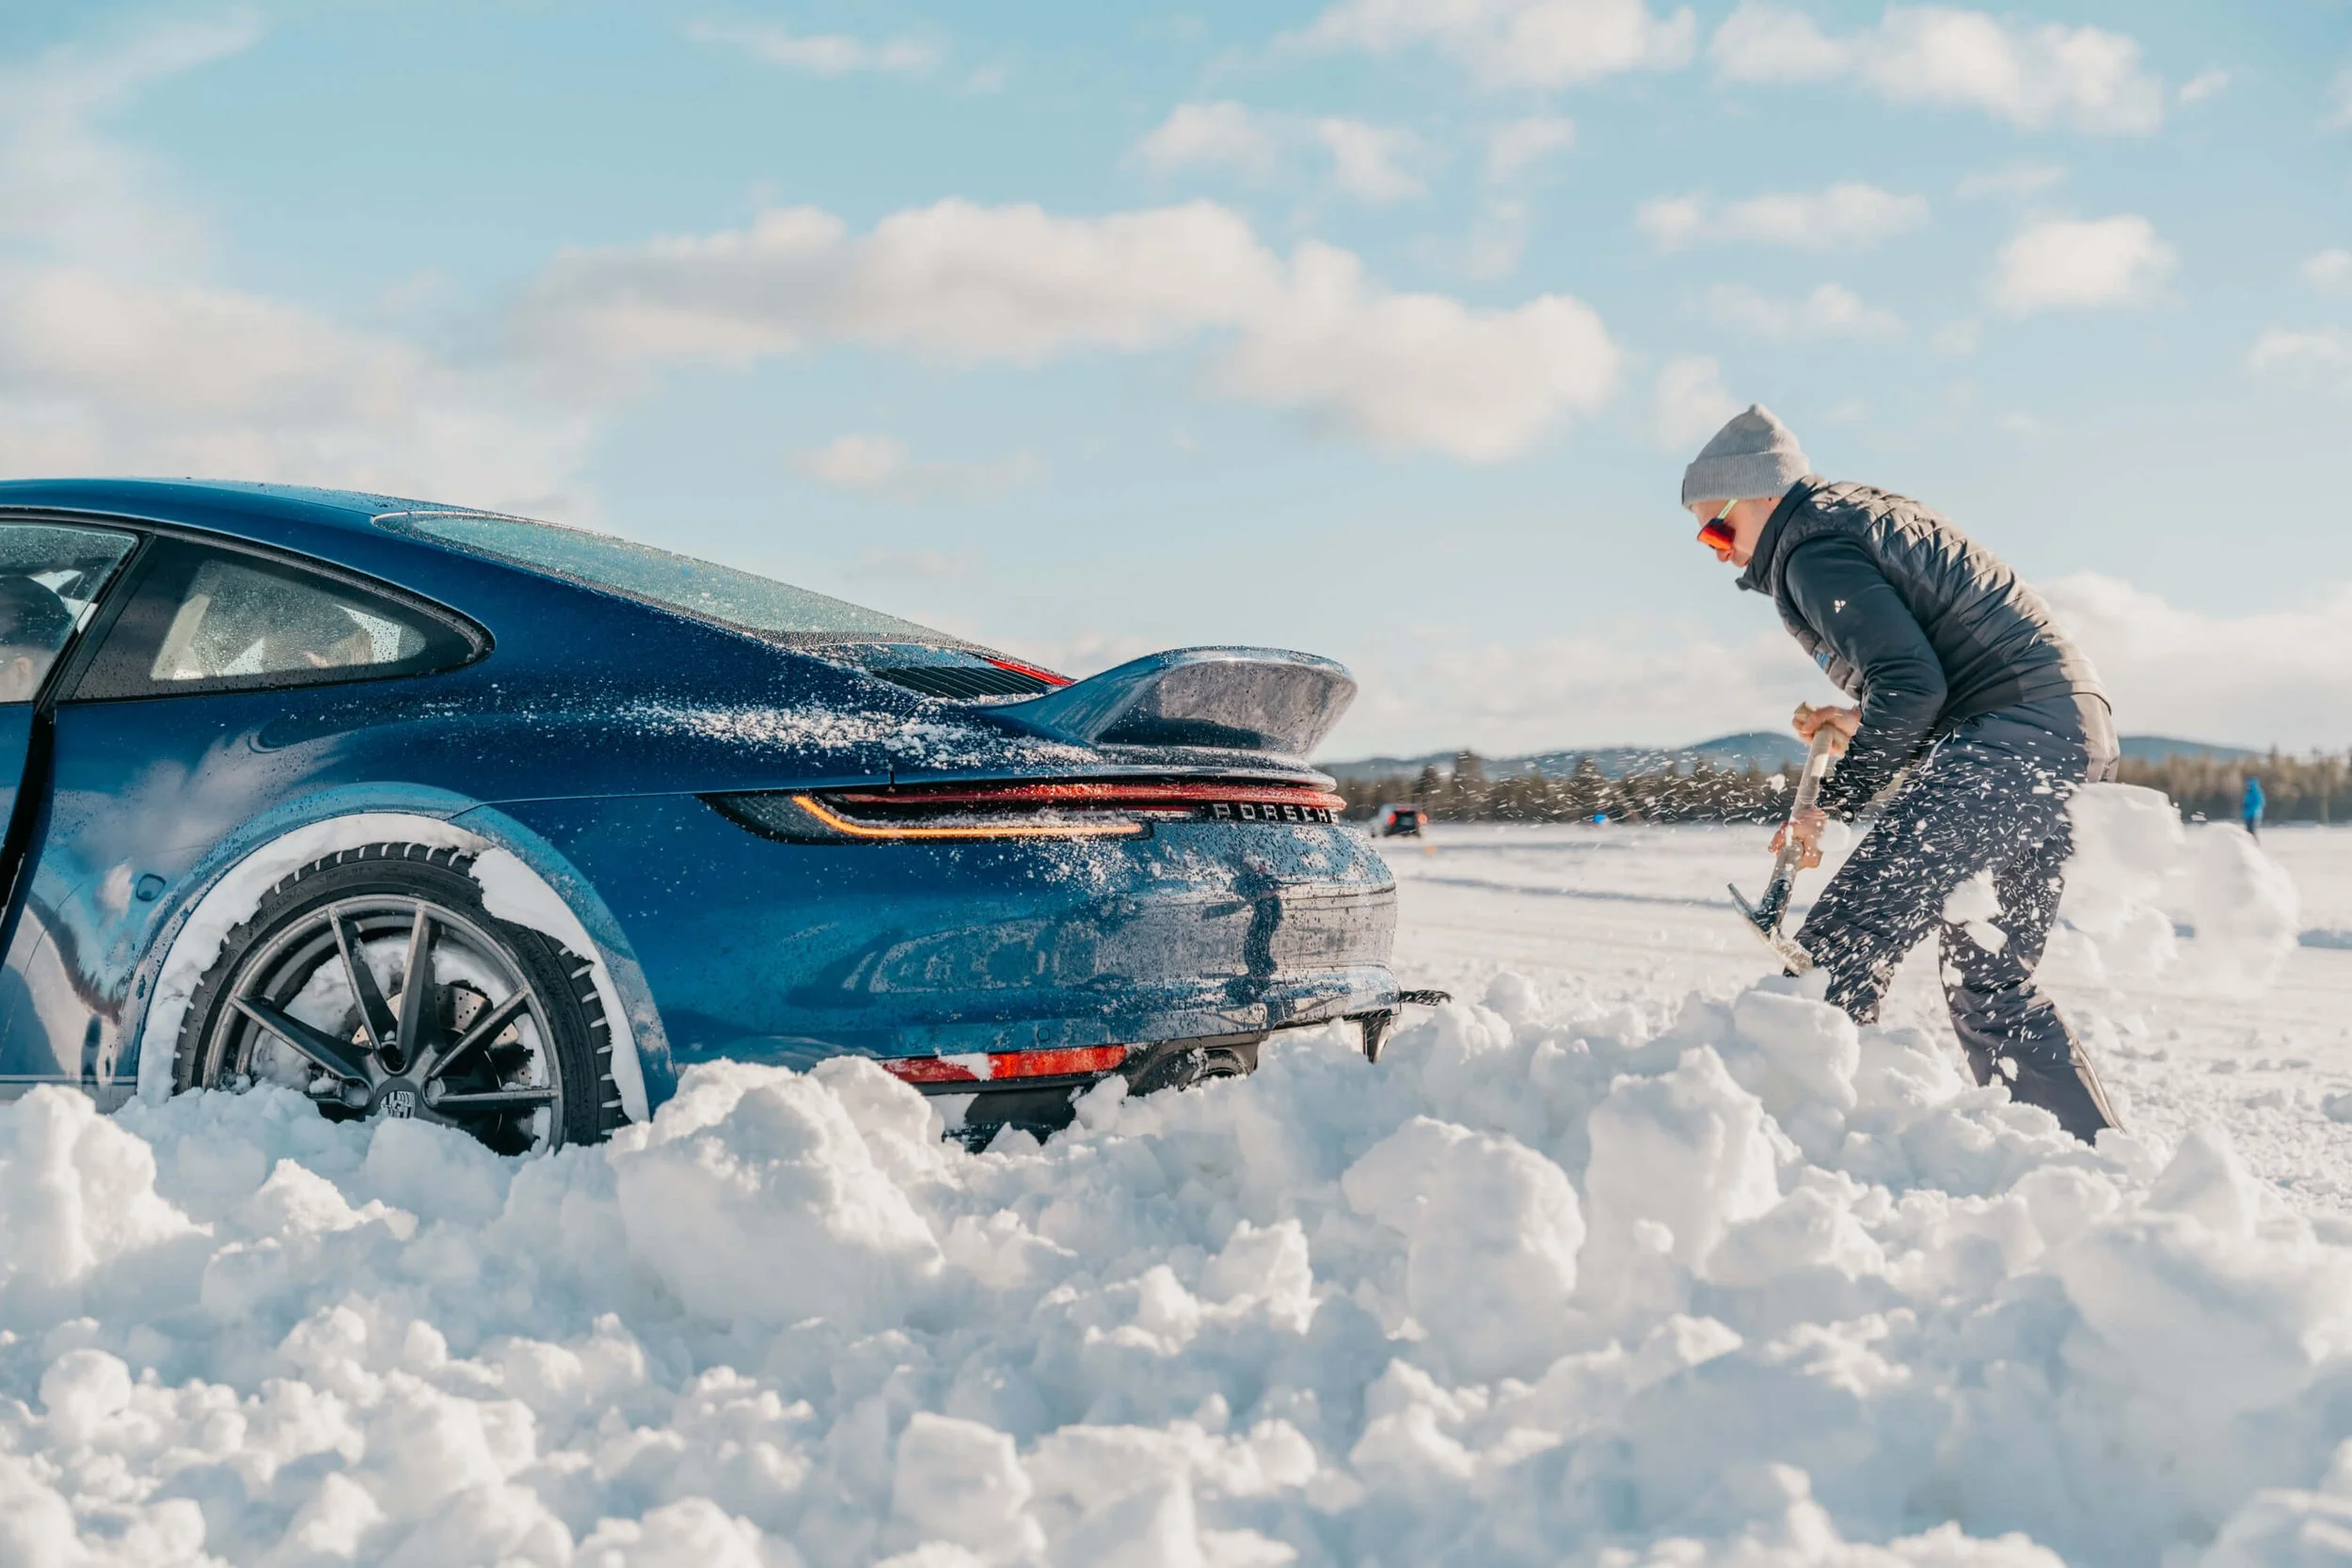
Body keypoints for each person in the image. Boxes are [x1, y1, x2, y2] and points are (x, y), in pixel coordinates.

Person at [1682, 404, 2122, 1142]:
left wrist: (1842, 795)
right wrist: (1858, 717)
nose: (1717, 549)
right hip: (2065, 730)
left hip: (2011, 741)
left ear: (1760, 495)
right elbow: (1930, 676)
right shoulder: (1845, 519)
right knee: (1989, 982)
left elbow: (1912, 685)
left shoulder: (1809, 546)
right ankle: (2096, 1166)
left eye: (1718, 526)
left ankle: (1802, 1153)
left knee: (1838, 951)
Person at [2242, 774, 2265, 841]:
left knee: (2252, 832)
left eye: (2248, 783)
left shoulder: (2256, 792)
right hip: (2248, 815)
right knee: (2248, 833)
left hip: (2254, 815)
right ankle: (2248, 847)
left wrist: (2249, 808)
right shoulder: (2249, 792)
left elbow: (2260, 803)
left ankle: (2254, 848)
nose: (2246, 785)